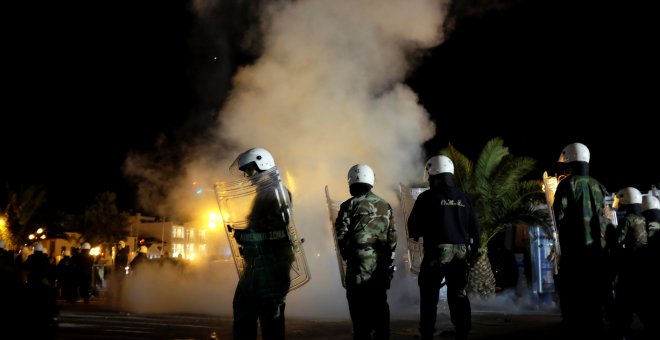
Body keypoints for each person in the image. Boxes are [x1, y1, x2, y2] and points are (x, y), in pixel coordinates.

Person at [407, 155, 480, 340]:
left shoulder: (427, 197)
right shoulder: (464, 198)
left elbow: (413, 225)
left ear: (434, 175)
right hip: (461, 251)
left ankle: (427, 332)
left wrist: (418, 233)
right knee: (458, 293)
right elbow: (475, 229)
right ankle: (462, 330)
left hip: (438, 252)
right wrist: (474, 252)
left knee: (429, 291)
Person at [227, 147, 297, 340]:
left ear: (262, 164)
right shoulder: (267, 192)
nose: (247, 176)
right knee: (248, 312)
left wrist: (245, 236)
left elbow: (272, 232)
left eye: (249, 170)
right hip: (260, 266)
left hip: (269, 267)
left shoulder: (274, 193)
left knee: (268, 320)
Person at [551, 142, 613, 337]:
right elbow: (609, 219)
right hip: (599, 253)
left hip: (575, 254)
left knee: (573, 297)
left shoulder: (567, 184)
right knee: (598, 296)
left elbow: (557, 217)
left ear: (570, 159)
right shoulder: (600, 187)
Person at [335, 163, 397, 340]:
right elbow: (393, 236)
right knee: (380, 302)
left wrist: (347, 255)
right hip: (381, 262)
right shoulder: (386, 205)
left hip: (358, 262)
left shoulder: (348, 205)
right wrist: (388, 260)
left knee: (358, 304)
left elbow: (341, 235)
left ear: (351, 182)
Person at [610, 187, 648, 339]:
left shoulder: (627, 219)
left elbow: (617, 241)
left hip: (630, 265)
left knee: (624, 299)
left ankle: (623, 331)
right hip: (643, 264)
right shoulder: (645, 219)